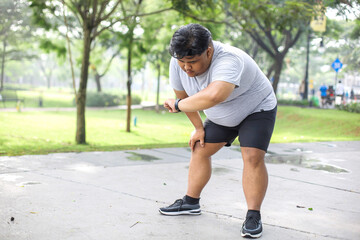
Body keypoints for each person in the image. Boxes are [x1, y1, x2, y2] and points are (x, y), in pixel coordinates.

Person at [161, 23, 277, 238]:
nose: (186, 68)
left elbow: (215, 95)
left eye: (193, 62)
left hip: (256, 109)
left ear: (209, 51)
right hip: (222, 116)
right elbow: (185, 97)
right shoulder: (178, 62)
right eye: (182, 62)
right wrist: (197, 128)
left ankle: (253, 215)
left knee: (251, 155)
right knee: (200, 147)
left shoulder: (230, 59)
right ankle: (190, 202)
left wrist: (177, 106)